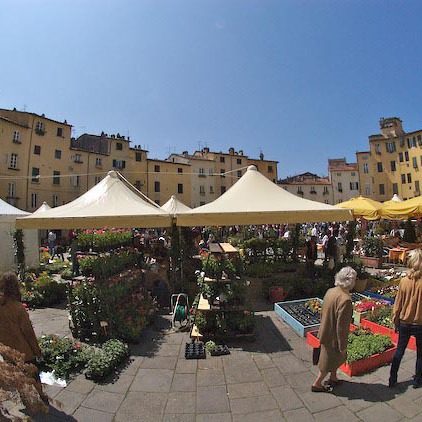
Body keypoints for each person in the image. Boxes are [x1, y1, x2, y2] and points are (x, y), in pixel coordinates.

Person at [311, 266, 356, 392]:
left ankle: (333, 377)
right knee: (327, 362)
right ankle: (317, 383)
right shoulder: (345, 300)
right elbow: (342, 327)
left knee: (332, 359)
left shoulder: (331, 291)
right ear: (350, 281)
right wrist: (343, 346)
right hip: (334, 337)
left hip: (325, 331)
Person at [389, 249, 422, 388]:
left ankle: (392, 378)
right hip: (420, 323)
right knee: (421, 354)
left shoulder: (404, 281)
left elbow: (397, 304)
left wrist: (395, 320)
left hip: (405, 322)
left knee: (399, 351)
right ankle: (417, 380)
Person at [0, 272, 42, 363]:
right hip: (24, 355)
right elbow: (28, 333)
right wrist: (37, 351)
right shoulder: (18, 308)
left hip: (6, 356)